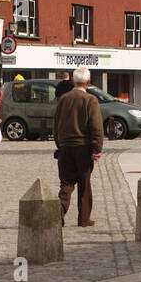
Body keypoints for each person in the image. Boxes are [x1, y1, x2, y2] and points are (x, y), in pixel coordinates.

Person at [55, 68, 104, 226]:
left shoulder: (63, 99)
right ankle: (83, 218)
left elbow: (56, 124)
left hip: (65, 146)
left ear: (73, 81)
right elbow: (96, 126)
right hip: (83, 146)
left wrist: (59, 143)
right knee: (84, 183)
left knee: (66, 183)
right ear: (88, 82)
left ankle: (58, 213)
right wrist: (97, 149)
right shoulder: (90, 100)